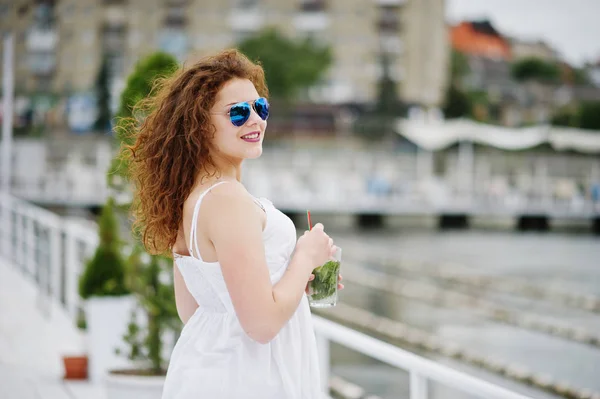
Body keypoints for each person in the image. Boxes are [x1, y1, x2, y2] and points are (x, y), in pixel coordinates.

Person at [125, 49, 343, 398]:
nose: (255, 120)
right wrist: (304, 258)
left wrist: (289, 281)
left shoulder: (192, 198)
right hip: (251, 379)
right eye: (238, 113)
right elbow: (261, 324)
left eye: (261, 108)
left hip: (211, 372)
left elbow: (194, 308)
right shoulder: (228, 200)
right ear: (198, 123)